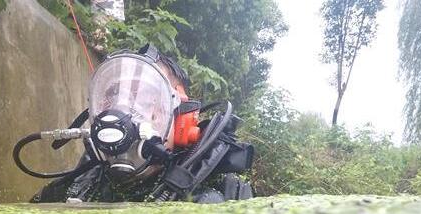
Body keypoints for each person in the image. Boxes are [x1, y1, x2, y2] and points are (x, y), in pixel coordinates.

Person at [16, 45, 254, 204]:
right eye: (113, 95)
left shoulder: (217, 201)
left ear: (183, 121)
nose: (124, 110)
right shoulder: (72, 188)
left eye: (148, 98)